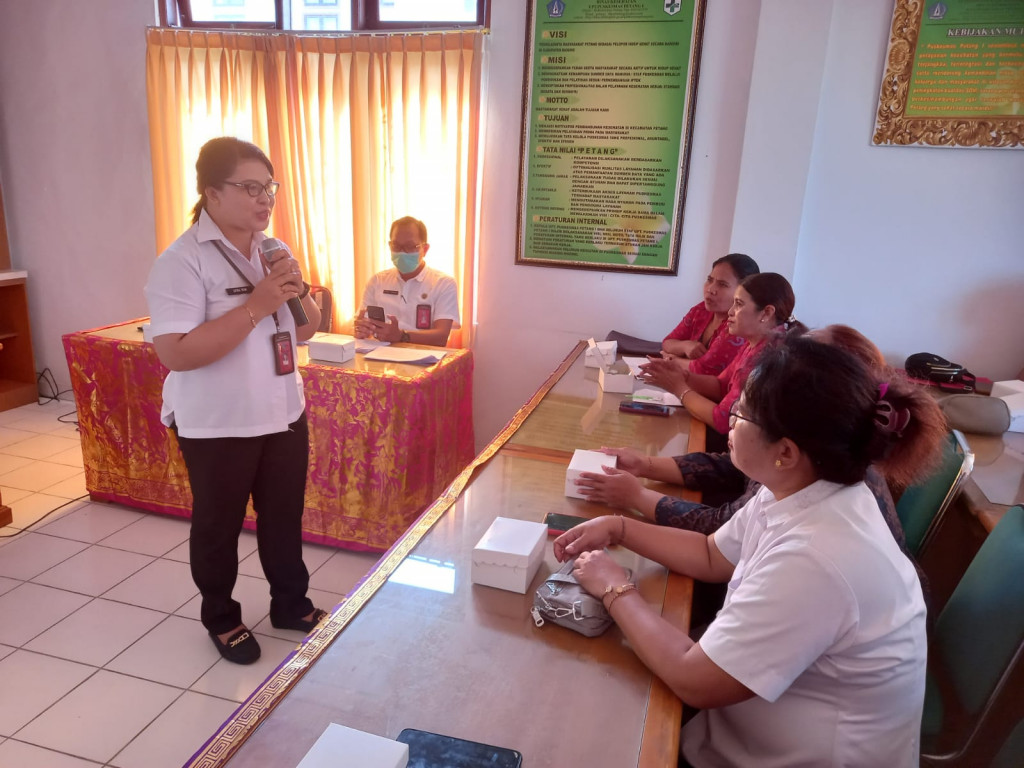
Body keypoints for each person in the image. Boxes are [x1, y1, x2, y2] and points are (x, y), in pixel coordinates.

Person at [555, 336, 937, 766]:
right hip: (747, 731)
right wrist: (620, 527)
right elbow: (711, 555)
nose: (729, 423)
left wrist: (614, 588)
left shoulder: (817, 557)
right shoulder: (807, 489)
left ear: (786, 451)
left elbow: (692, 678)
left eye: (740, 413)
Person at [145, 137, 327, 665]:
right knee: (219, 525)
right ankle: (222, 617)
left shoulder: (273, 248)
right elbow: (175, 353)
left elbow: (308, 330)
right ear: (211, 193)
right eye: (249, 187)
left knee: (283, 518)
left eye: (268, 187)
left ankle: (291, 606)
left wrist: (297, 291)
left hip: (282, 413)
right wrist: (255, 306)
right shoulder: (180, 262)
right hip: (216, 422)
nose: (263, 199)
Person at [577, 325, 945, 544]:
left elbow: (718, 529)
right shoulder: (814, 454)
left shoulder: (818, 487)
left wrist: (635, 498)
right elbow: (731, 481)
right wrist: (647, 465)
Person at [640, 272, 802, 440]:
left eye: (738, 304)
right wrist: (682, 376)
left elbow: (723, 420)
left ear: (767, 313)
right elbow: (721, 385)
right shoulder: (754, 342)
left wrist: (678, 387)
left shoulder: (769, 356)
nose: (730, 312)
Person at [353, 216, 460, 346]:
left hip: (423, 359)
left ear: (425, 249)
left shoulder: (443, 283)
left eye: (409, 246)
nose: (402, 252)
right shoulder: (377, 281)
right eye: (396, 246)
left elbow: (441, 337)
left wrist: (401, 336)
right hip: (379, 357)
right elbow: (361, 323)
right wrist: (361, 330)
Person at [661, 253, 759, 376]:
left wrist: (671, 359)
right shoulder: (701, 310)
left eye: (722, 284)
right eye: (710, 280)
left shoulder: (739, 325)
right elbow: (667, 343)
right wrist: (685, 346)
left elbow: (703, 369)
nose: (710, 289)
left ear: (743, 292)